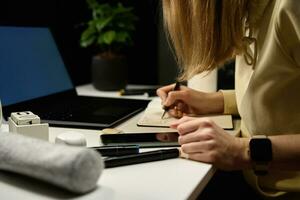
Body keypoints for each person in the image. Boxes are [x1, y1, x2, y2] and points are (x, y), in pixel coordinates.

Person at [157, 0, 300, 199]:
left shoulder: (292, 8)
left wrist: (242, 151)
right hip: (253, 181)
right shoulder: (249, 11)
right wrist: (213, 101)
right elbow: (286, 94)